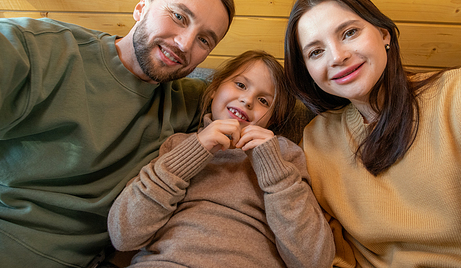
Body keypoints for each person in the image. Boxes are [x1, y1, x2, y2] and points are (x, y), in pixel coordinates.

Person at [0, 0, 235, 268]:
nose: (184, 44)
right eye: (179, 17)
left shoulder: (192, 103)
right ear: (141, 7)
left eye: (204, 40)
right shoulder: (39, 48)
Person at [284, 0, 461, 267]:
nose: (337, 56)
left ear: (384, 34)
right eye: (316, 52)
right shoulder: (316, 143)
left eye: (349, 33)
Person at [107, 50, 335, 268]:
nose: (247, 100)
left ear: (273, 120)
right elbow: (123, 235)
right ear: (215, 87)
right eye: (240, 85)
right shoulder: (176, 145)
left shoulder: (285, 155)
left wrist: (274, 170)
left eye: (264, 101)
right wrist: (193, 152)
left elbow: (315, 261)